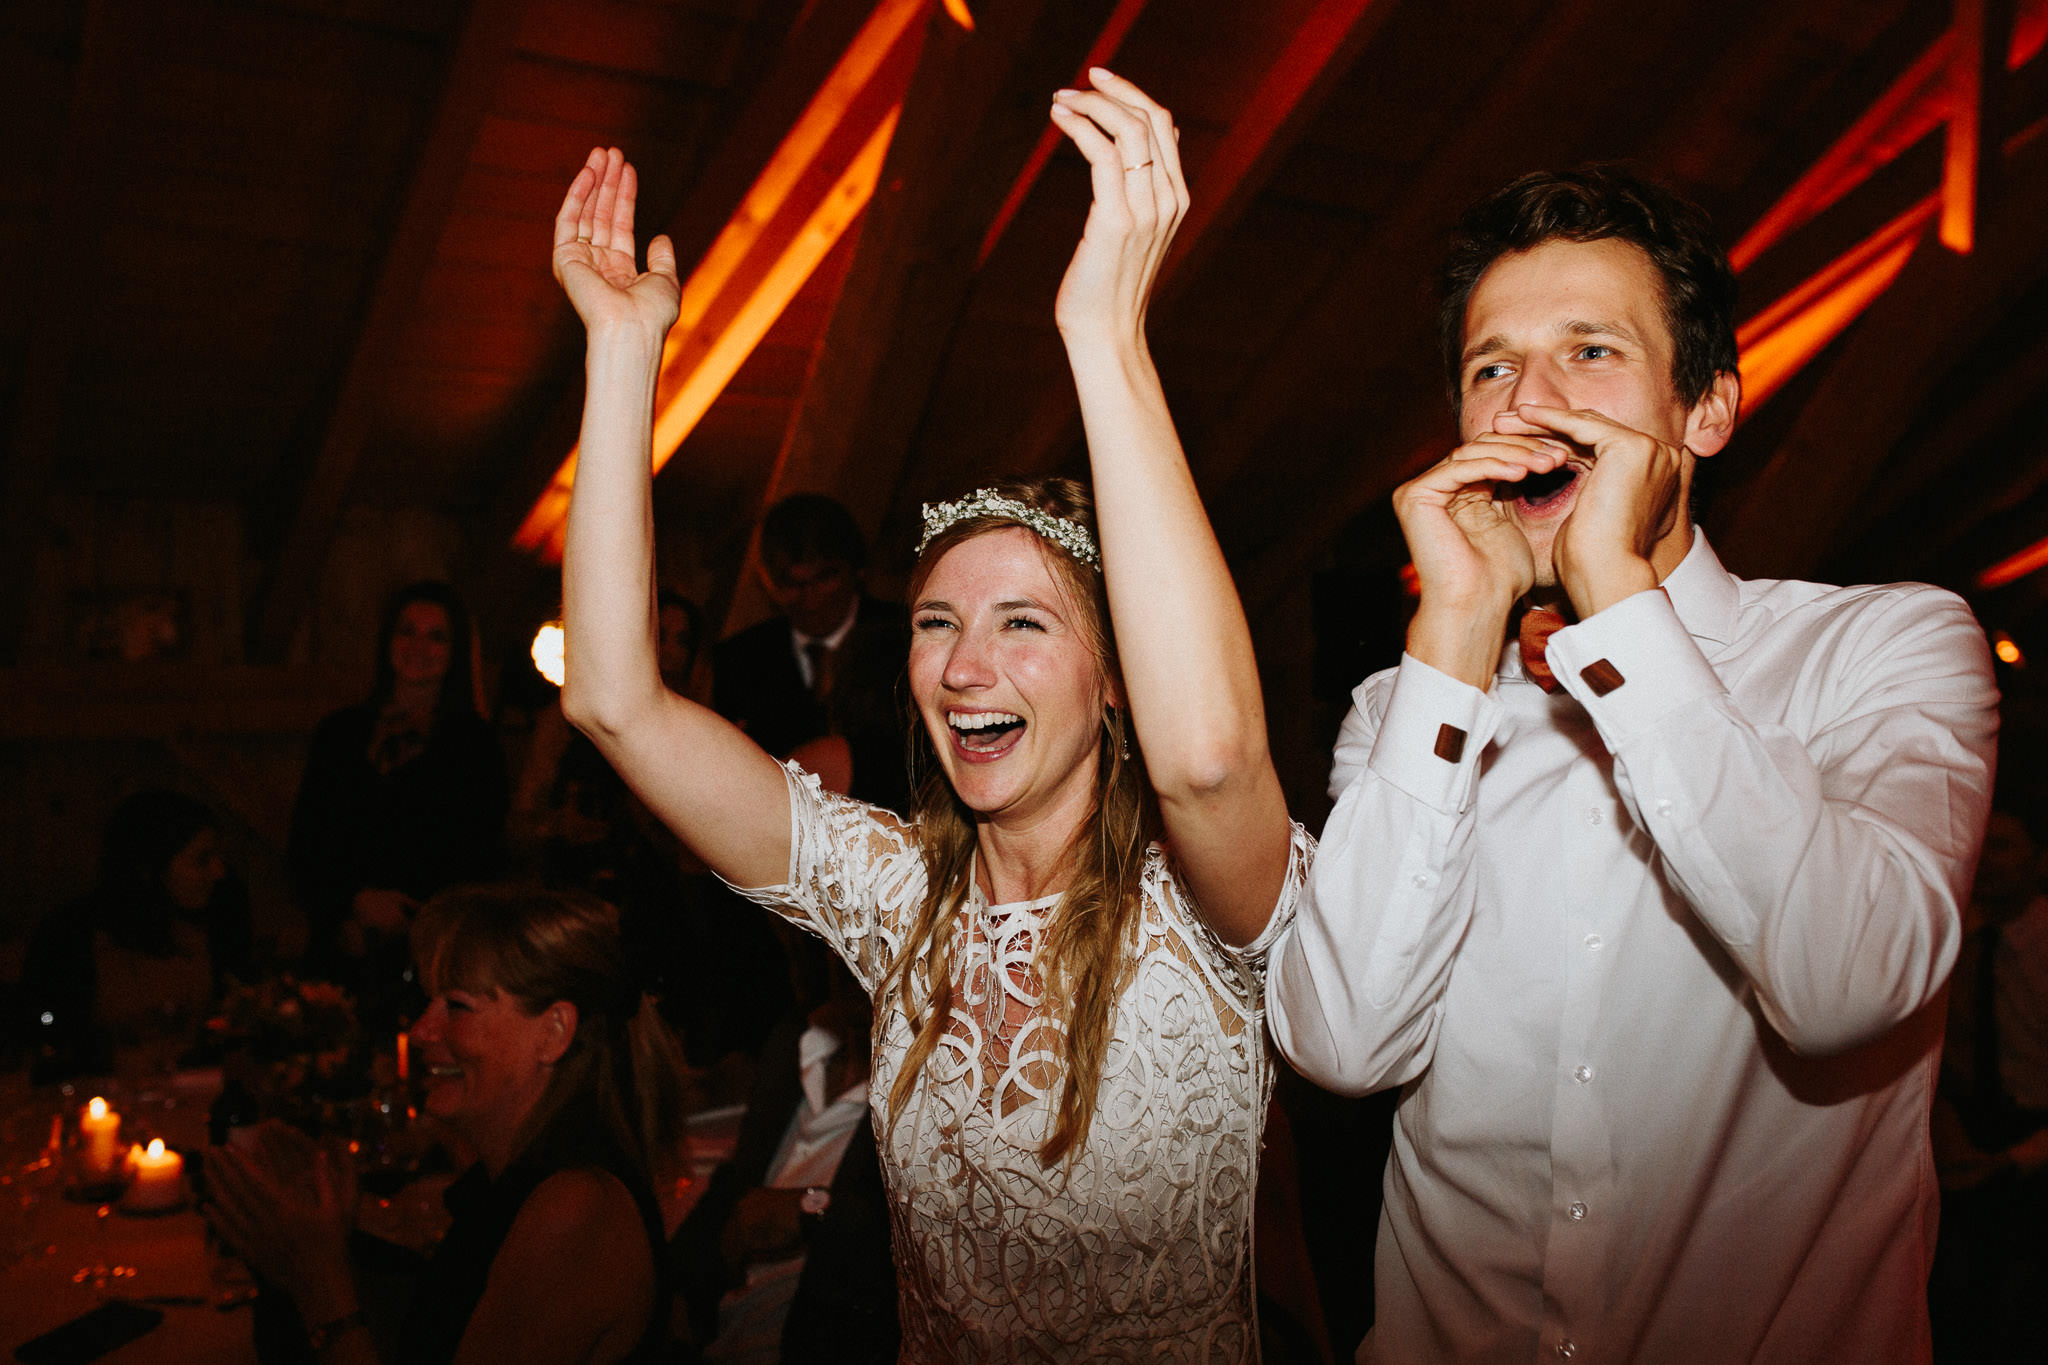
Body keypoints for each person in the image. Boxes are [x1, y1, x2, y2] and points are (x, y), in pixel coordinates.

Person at [554, 67, 1306, 1359]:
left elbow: (1215, 756)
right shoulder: (894, 895)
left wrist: (1105, 331)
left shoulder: (1212, 900)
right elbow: (616, 702)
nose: (964, 667)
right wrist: (624, 356)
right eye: (937, 623)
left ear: (1119, 676)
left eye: (1024, 624)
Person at [1266, 165, 1999, 1363]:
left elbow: (1845, 985)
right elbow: (1342, 1045)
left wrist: (1612, 594)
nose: (1529, 403)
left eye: (1588, 352)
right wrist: (1451, 637)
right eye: (1490, 368)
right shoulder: (1408, 706)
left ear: (1703, 410)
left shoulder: (1884, 647)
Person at [202, 884, 688, 1365]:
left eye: (456, 1006)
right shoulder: (515, 1182)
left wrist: (321, 1286)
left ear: (553, 1032)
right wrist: (327, 1243)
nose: (421, 1031)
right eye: (428, 1002)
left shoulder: (576, 1208)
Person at [289, 581, 507, 1020]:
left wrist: (411, 918)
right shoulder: (340, 733)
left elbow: (479, 855)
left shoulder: (475, 744)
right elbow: (306, 841)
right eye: (407, 631)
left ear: (455, 653)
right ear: (388, 642)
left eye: (436, 636)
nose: (418, 646)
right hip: (340, 949)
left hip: (434, 960)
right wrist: (350, 904)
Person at [24, 788, 253, 1080]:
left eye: (218, 856)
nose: (219, 871)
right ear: (149, 868)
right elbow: (47, 1036)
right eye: (202, 859)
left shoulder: (223, 923)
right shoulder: (70, 936)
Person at [713, 493, 912, 813]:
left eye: (825, 577)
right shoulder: (739, 659)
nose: (811, 598)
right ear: (768, 584)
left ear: (857, 570)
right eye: (792, 584)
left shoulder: (908, 638)